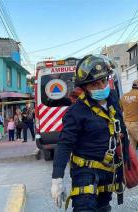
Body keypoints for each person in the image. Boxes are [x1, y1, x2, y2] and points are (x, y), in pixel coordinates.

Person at [51, 55, 129, 211]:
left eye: (104, 81)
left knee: (103, 208)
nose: (101, 87)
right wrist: (57, 179)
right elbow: (64, 145)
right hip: (85, 172)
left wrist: (126, 163)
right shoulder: (76, 112)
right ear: (84, 87)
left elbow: (122, 131)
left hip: (108, 170)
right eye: (95, 84)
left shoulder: (113, 98)